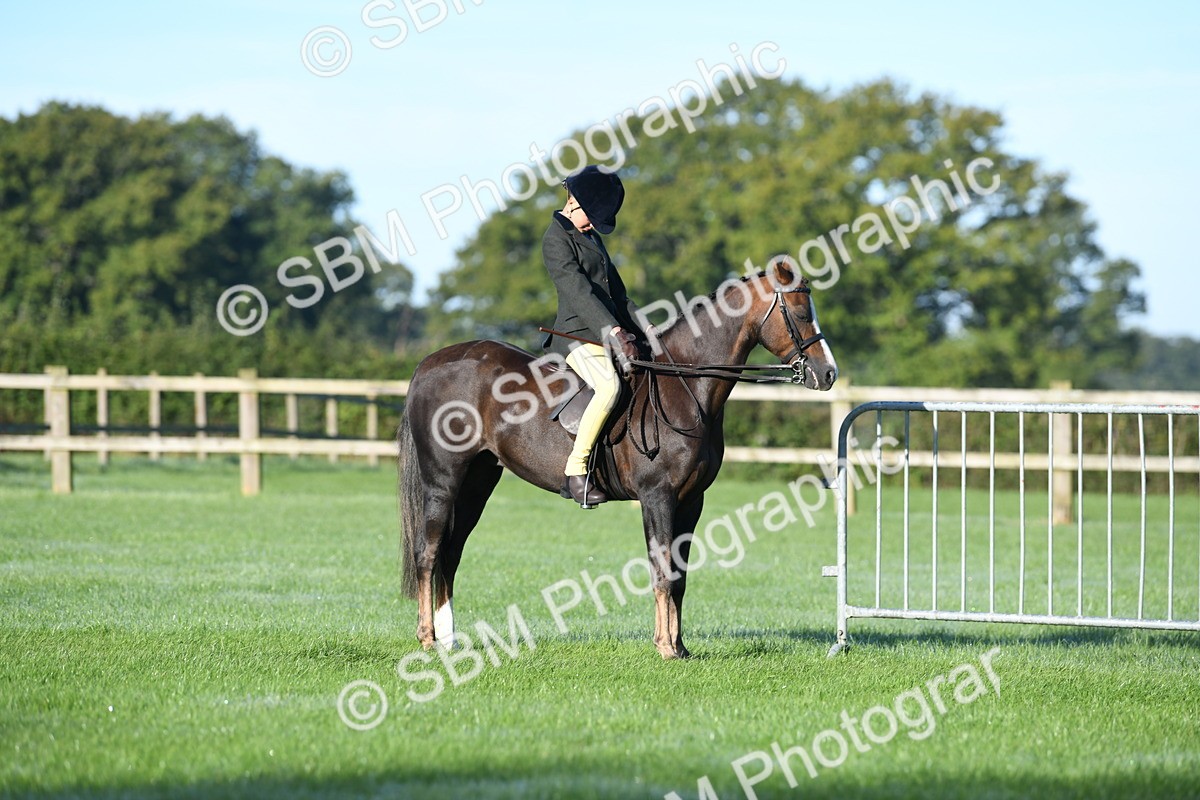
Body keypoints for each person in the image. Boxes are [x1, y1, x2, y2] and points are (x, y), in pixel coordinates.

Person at [541, 165, 646, 508]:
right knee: (610, 387)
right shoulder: (555, 240)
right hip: (577, 335)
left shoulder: (591, 237)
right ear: (574, 201)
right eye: (592, 218)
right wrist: (614, 330)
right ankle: (576, 471)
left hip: (607, 331)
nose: (593, 226)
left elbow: (619, 296)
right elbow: (579, 293)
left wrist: (647, 328)